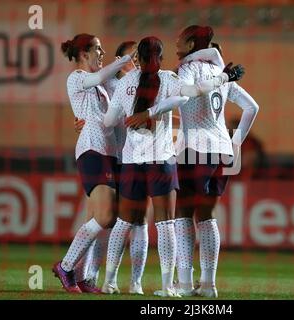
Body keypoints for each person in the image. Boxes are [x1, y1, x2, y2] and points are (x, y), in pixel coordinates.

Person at [102, 36, 243, 297]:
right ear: (161, 58)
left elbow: (109, 120)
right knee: (165, 224)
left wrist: (101, 118)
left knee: (123, 222)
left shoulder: (125, 84)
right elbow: (186, 97)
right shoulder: (169, 79)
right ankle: (168, 285)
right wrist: (223, 77)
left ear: (138, 59)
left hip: (132, 161)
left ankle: (108, 282)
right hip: (162, 160)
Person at [52, 33, 136, 294]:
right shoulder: (77, 78)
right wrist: (126, 57)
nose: (102, 53)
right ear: (84, 54)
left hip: (111, 154)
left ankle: (81, 276)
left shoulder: (105, 85)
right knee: (105, 216)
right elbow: (99, 77)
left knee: (100, 219)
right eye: (98, 49)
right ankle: (65, 267)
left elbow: (122, 102)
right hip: (92, 151)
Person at [72, 41, 149, 295]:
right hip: (117, 158)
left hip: (132, 157)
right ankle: (91, 276)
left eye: (140, 59)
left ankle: (115, 280)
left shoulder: (148, 85)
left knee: (131, 221)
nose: (138, 63)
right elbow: (101, 114)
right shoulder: (114, 85)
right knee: (110, 219)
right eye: (134, 59)